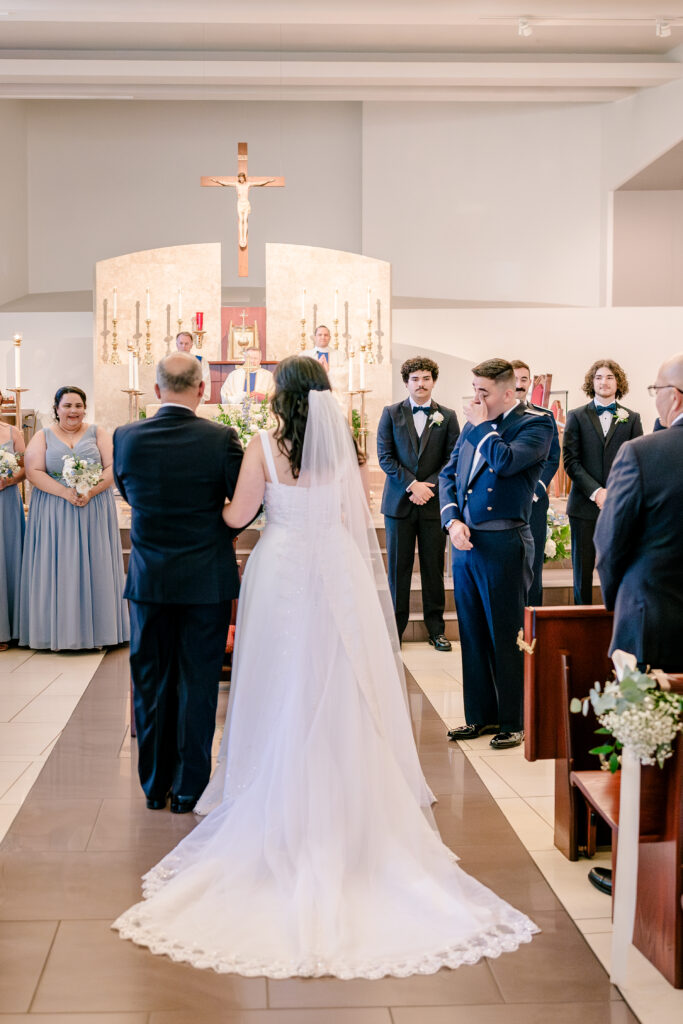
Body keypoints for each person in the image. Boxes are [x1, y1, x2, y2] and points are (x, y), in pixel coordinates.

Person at [113, 354, 538, 977]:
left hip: (281, 567)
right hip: (333, 566)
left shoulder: (262, 443)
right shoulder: (342, 447)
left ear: (278, 395)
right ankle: (347, 793)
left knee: (279, 679)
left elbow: (236, 516)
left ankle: (272, 788)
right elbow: (349, 518)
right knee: (340, 678)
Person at [113, 353, 243, 813]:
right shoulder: (222, 438)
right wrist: (213, 536)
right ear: (203, 391)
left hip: (149, 580)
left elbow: (128, 493)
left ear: (155, 390)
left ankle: (154, 786)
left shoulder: (125, 437)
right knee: (198, 682)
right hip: (206, 580)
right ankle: (189, 789)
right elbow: (241, 506)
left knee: (151, 681)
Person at [440, 359, 553, 750]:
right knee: (471, 634)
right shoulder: (475, 425)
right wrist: (452, 522)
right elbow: (448, 475)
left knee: (506, 634)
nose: (475, 398)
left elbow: (505, 462)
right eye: (474, 389)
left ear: (508, 393)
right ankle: (481, 717)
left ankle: (513, 720)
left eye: (484, 392)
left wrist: (483, 425)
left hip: (505, 541)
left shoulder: (536, 424)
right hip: (466, 543)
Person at [19, 386, 129, 651]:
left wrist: (89, 490)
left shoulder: (97, 432)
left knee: (95, 562)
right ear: (56, 408)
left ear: (84, 408)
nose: (73, 411)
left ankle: (101, 631)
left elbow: (114, 466)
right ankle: (53, 632)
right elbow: (33, 470)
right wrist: (65, 492)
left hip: (93, 508)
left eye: (78, 406)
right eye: (67, 406)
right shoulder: (43, 435)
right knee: (57, 564)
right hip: (54, 509)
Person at [595, 354, 683, 671]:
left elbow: (609, 540)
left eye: (655, 388)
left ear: (673, 396)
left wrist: (620, 601)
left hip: (654, 622)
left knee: (654, 717)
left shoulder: (642, 453)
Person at [377, 357, 460, 649]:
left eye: (426, 378)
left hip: (433, 504)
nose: (421, 384)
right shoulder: (390, 413)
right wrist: (412, 485)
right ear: (406, 382)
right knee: (398, 570)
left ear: (433, 381)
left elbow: (453, 459)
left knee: (433, 568)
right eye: (415, 379)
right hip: (398, 504)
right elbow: (385, 457)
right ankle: (394, 630)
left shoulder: (447, 416)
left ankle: (436, 630)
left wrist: (429, 487)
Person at [563, 360, 643, 606]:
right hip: (584, 506)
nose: (604, 382)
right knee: (582, 571)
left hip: (620, 506)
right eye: (599, 377)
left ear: (618, 382)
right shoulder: (576, 416)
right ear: (592, 382)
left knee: (620, 565)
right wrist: (596, 492)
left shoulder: (632, 418)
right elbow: (570, 461)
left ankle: (617, 621)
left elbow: (636, 462)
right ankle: (582, 621)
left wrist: (615, 494)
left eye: (609, 377)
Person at [511, 360, 560, 606]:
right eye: (515, 379)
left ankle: (533, 625)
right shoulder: (495, 415)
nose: (519, 385)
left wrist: (536, 489)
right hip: (504, 503)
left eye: (524, 379)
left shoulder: (545, 415)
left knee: (533, 567)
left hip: (534, 501)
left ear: (530, 382)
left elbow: (553, 458)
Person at [0, 421, 25, 650]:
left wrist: (8, 480)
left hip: (5, 499)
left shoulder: (12, 432)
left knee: (7, 558)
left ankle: (9, 630)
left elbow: (24, 468)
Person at [210, 171, 275, 249]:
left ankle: (244, 238)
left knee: (245, 219)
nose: (241, 179)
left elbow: (259, 183)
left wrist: (268, 181)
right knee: (240, 220)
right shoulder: (236, 184)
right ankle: (241, 238)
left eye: (242, 178)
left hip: (246, 204)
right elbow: (225, 183)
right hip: (240, 204)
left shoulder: (248, 184)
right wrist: (216, 181)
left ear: (244, 178)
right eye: (239, 178)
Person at [176, 330, 212, 403]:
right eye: (181, 343)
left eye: (186, 343)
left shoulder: (201, 361)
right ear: (177, 345)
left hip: (195, 401)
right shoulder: (169, 362)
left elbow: (204, 381)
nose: (183, 346)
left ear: (191, 345)